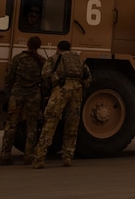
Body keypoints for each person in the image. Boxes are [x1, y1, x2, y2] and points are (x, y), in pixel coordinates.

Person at [31, 40, 91, 169]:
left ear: (58, 48)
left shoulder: (54, 58)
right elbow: (87, 77)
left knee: (50, 123)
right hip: (77, 90)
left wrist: (49, 88)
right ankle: (67, 157)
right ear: (70, 48)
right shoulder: (78, 60)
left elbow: (45, 74)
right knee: (72, 124)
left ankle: (39, 158)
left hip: (61, 90)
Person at [0, 35, 46, 165]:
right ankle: (29, 156)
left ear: (27, 45)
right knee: (32, 127)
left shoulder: (17, 59)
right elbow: (45, 81)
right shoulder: (41, 61)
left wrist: (8, 93)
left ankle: (5, 155)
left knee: (11, 125)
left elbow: (8, 77)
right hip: (33, 96)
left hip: (17, 94)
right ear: (39, 46)